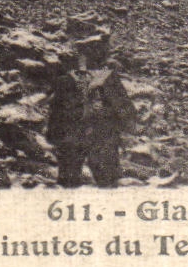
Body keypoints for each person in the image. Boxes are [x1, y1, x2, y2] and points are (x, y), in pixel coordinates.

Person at [45, 33, 137, 187]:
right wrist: (126, 125)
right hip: (95, 134)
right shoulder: (107, 78)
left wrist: (54, 133)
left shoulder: (69, 78)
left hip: (81, 134)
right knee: (103, 180)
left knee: (73, 180)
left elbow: (56, 110)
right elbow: (123, 106)